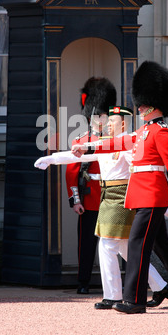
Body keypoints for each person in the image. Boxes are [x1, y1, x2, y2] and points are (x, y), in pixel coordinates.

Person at [71, 61, 168, 313]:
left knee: (136, 243)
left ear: (155, 104)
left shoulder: (161, 132)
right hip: (141, 195)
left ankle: (133, 300)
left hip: (152, 196)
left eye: (144, 104)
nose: (140, 107)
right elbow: (117, 142)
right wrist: (87, 147)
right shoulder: (145, 131)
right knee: (162, 246)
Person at [35, 104, 168, 309]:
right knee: (126, 248)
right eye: (108, 120)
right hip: (107, 196)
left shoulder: (132, 143)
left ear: (124, 123)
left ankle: (113, 295)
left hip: (122, 197)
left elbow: (151, 170)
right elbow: (79, 156)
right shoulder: (105, 143)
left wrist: (166, 202)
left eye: (112, 121)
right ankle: (161, 286)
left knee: (107, 245)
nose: (107, 124)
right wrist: (51, 159)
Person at [65, 77, 117, 294]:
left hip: (112, 196)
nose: (100, 120)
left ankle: (112, 285)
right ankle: (83, 281)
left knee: (112, 244)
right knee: (86, 245)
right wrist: (76, 201)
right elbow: (72, 173)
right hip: (89, 197)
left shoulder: (115, 139)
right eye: (97, 117)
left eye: (102, 116)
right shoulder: (80, 139)